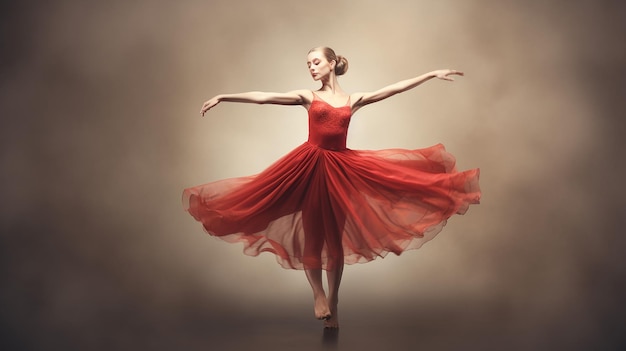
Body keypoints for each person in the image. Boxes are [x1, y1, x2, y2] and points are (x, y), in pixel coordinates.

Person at [184, 46, 481, 329]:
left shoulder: (354, 100)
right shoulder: (307, 96)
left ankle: (334, 302)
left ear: (331, 62)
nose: (312, 68)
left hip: (341, 170)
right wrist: (224, 96)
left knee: (335, 240)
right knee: (313, 236)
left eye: (315, 62)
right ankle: (318, 294)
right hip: (309, 168)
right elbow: (265, 97)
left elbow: (394, 89)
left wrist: (430, 74)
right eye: (308, 64)